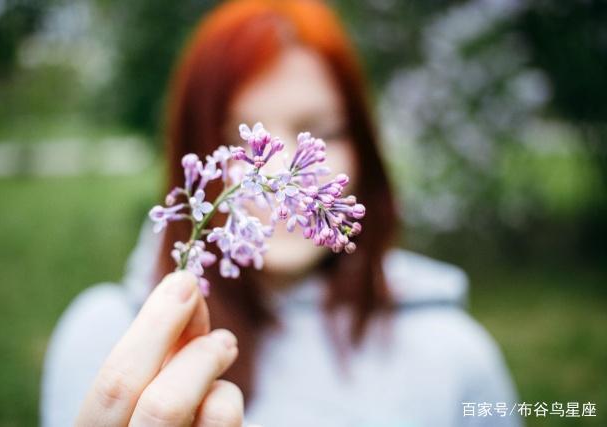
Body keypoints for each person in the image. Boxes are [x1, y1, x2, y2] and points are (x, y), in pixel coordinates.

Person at [41, 1, 521, 426]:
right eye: (239, 138)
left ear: (366, 151)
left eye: (324, 131)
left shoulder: (456, 354)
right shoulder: (106, 343)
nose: (275, 170)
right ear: (192, 153)